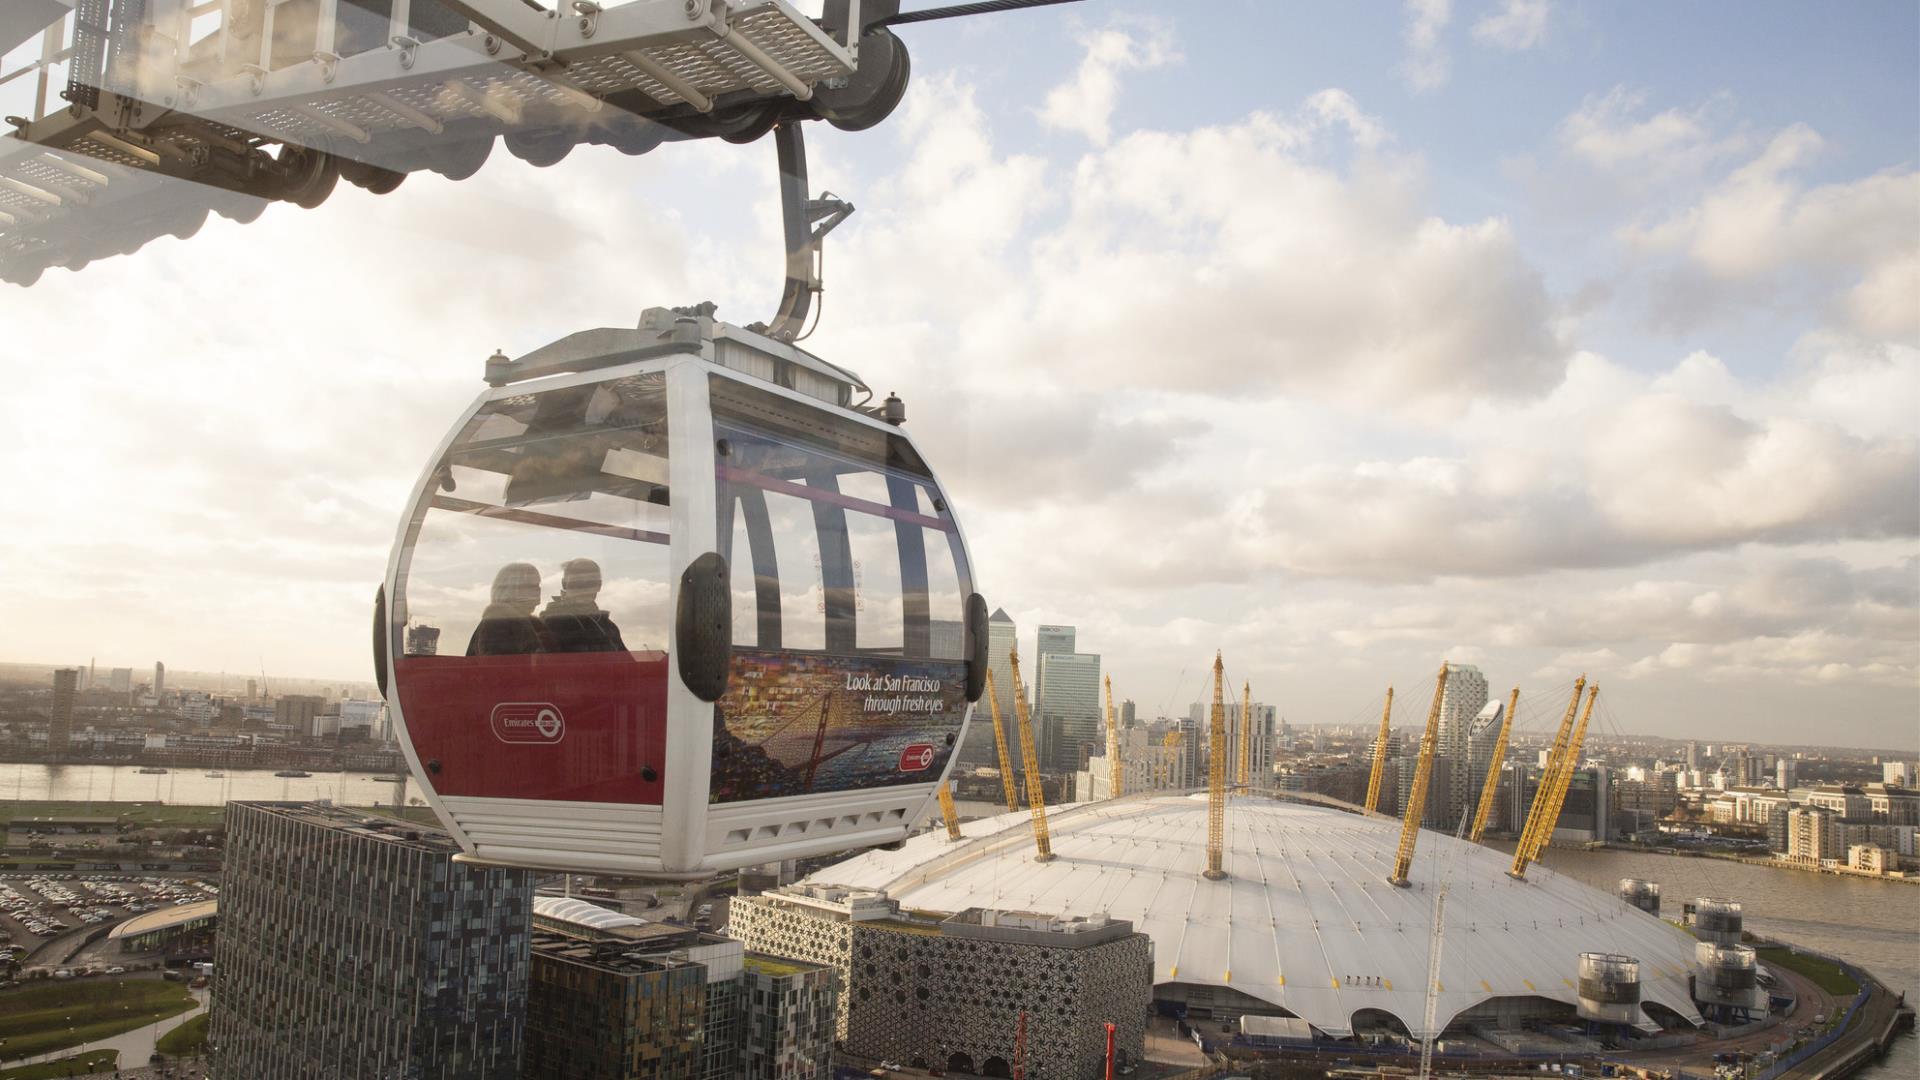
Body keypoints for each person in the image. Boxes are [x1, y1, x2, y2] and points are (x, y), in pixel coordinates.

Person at [540, 558, 629, 653]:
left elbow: (630, 666)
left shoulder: (609, 627)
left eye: (590, 583)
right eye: (576, 583)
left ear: (599, 585)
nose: (583, 589)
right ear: (564, 584)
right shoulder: (548, 625)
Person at [467, 562, 551, 656]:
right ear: (512, 588)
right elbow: (497, 665)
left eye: (538, 585)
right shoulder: (498, 621)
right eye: (530, 585)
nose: (538, 590)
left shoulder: (533, 624)